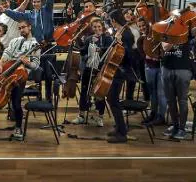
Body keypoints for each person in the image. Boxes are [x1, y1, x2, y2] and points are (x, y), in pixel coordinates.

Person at [3, 0, 55, 100]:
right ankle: (38, 95)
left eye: (38, 2)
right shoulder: (29, 15)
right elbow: (16, 16)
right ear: (32, 3)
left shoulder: (47, 11)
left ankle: (49, 97)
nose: (36, 3)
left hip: (48, 46)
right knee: (37, 71)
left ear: (42, 2)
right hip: (36, 48)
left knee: (48, 74)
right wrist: (5, 11)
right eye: (34, 2)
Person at [71, 18, 112, 127]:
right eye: (94, 27)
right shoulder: (89, 38)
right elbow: (83, 51)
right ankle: (81, 115)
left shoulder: (107, 38)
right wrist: (78, 41)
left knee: (100, 93)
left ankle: (99, 117)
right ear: (92, 28)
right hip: (89, 68)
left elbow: (109, 50)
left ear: (102, 26)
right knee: (84, 92)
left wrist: (99, 46)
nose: (97, 29)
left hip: (100, 69)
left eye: (99, 26)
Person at [105, 9, 135, 143]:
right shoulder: (120, 32)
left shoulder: (126, 34)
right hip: (116, 69)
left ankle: (122, 132)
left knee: (113, 99)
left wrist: (120, 43)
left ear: (113, 21)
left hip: (121, 70)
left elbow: (129, 55)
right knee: (111, 99)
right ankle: (119, 127)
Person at [137, 18, 166, 126]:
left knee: (161, 93)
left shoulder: (157, 35)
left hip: (161, 68)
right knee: (152, 92)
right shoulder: (141, 40)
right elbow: (143, 55)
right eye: (139, 26)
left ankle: (161, 116)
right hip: (149, 67)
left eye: (143, 25)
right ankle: (153, 114)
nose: (142, 28)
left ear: (148, 25)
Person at [160, 39, 192, 140]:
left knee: (182, 100)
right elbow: (165, 47)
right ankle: (175, 125)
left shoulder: (186, 27)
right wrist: (178, 39)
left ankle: (182, 129)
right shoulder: (165, 29)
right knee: (170, 100)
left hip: (183, 68)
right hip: (167, 67)